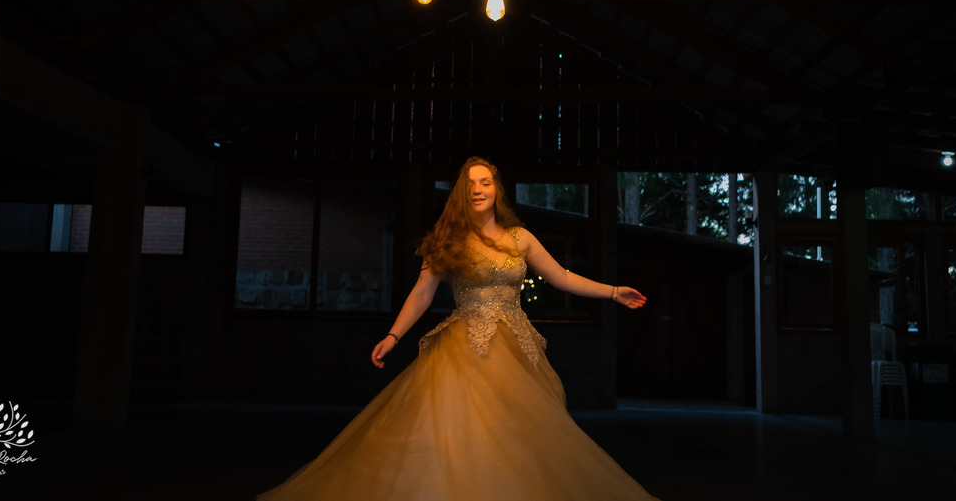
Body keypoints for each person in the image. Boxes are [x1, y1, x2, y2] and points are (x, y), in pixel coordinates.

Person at [257, 157, 659, 501]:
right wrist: (393, 336)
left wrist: (613, 292)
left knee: (515, 436)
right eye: (470, 185)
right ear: (461, 194)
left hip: (515, 349)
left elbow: (562, 278)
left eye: (485, 182)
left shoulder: (520, 238)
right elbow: (422, 293)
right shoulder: (449, 239)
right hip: (464, 348)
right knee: (454, 434)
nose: (478, 190)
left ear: (497, 190)